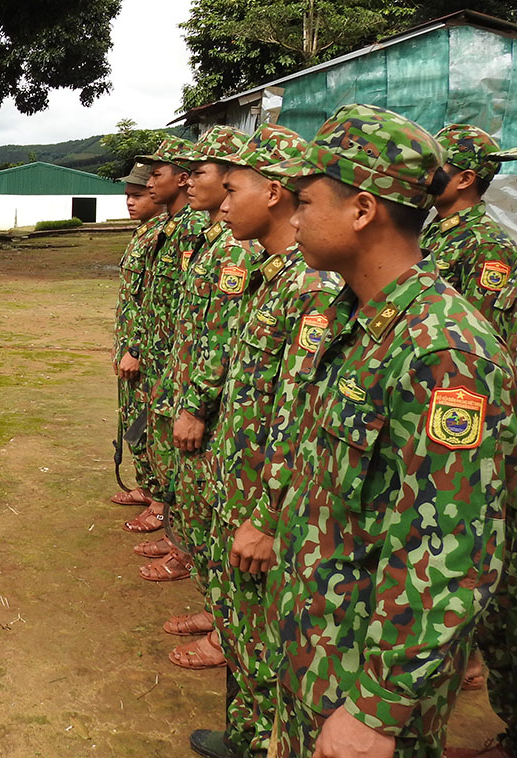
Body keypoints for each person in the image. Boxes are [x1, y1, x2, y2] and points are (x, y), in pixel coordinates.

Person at [260, 104, 515, 758]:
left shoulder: (444, 352)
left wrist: (375, 712)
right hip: (318, 654)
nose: (293, 218)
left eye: (305, 201)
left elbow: (451, 553)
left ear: (363, 210)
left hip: (364, 691)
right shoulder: (359, 317)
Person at [189, 124, 343, 758]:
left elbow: (298, 417)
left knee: (262, 647)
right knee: (245, 636)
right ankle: (246, 736)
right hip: (243, 488)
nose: (224, 204)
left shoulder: (312, 289)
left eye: (234, 190)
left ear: (273, 194)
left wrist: (266, 514)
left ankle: (256, 743)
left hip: (265, 503)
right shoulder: (275, 275)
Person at [147, 125, 253, 671]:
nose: (189, 181)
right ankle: (217, 614)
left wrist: (196, 404)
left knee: (216, 516)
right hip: (192, 390)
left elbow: (223, 337)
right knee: (199, 507)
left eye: (202, 173)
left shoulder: (237, 250)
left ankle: (225, 627)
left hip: (216, 410)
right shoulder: (214, 240)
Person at [119, 137, 207, 535]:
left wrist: (140, 350)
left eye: (156, 176)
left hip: (170, 357)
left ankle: (164, 509)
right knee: (145, 428)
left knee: (162, 434)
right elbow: (151, 298)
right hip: (153, 351)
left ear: (182, 178)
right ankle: (154, 493)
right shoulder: (168, 229)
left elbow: (183, 306)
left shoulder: (194, 229)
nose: (149, 184)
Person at [420, 124, 517, 346]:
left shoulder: (487, 246)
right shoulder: (436, 230)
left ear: (464, 180)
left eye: (435, 167)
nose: (424, 176)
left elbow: (482, 338)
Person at [111, 162, 166, 508]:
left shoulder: (162, 236)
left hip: (145, 351)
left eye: (137, 195)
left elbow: (155, 303)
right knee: (133, 420)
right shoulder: (144, 232)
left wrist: (136, 349)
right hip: (131, 347)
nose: (130, 202)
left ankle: (159, 499)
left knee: (148, 425)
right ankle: (146, 486)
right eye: (127, 196)